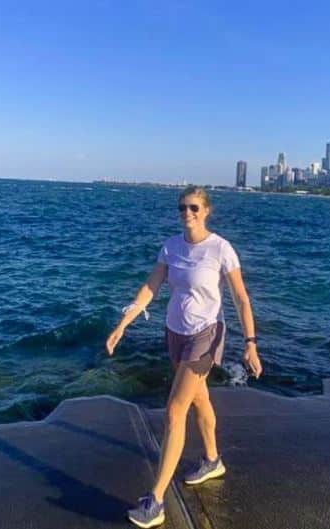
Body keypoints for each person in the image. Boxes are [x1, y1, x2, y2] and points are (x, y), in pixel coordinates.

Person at [105, 186, 262, 528]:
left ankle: (156, 500)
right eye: (182, 208)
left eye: (193, 207)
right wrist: (123, 324)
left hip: (206, 335)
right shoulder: (171, 246)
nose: (186, 213)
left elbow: (241, 298)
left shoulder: (220, 249)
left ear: (206, 211)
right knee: (199, 398)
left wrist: (250, 342)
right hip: (174, 333)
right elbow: (151, 286)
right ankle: (212, 459)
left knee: (175, 410)